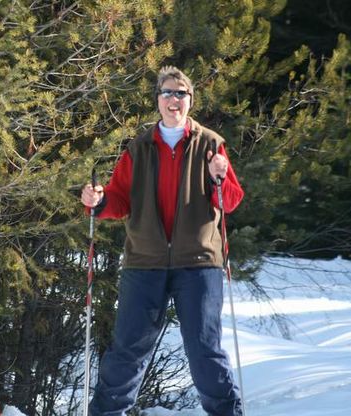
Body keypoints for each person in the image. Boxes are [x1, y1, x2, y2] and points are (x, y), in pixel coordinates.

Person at [81, 66, 244, 416]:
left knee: (204, 350)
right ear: (158, 99)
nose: (174, 100)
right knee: (127, 350)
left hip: (199, 263)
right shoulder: (138, 148)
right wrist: (99, 200)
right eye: (168, 93)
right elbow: (119, 200)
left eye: (181, 93)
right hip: (145, 262)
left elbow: (229, 200)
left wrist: (220, 177)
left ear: (190, 101)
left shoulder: (211, 144)